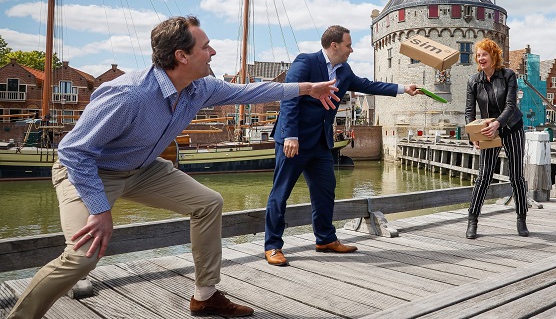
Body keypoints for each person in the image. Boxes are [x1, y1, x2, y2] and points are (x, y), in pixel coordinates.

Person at [6, 16, 339, 319]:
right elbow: (75, 151)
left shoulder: (199, 88)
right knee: (82, 258)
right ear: (182, 56)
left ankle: (205, 296)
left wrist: (308, 88)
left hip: (141, 168)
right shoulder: (129, 94)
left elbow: (250, 90)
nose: (213, 51)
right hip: (89, 172)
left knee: (208, 203)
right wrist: (99, 208)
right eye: (205, 46)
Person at [263, 25, 418, 266]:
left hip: (320, 142)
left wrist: (402, 89)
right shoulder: (305, 62)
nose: (351, 49)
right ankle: (273, 245)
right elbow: (289, 98)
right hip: (294, 141)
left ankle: (325, 239)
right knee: (280, 193)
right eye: (348, 45)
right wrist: (291, 135)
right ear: (334, 45)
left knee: (326, 191)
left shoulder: (344, 70)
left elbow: (367, 85)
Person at [464, 38, 529, 239]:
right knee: (483, 176)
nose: (480, 58)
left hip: (511, 127)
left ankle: (521, 218)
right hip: (487, 131)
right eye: (478, 55)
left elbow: (511, 105)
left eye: (484, 54)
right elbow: (469, 112)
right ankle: (472, 220)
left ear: (494, 56)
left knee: (517, 176)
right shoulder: (473, 81)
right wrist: (472, 134)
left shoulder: (508, 75)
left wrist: (497, 124)